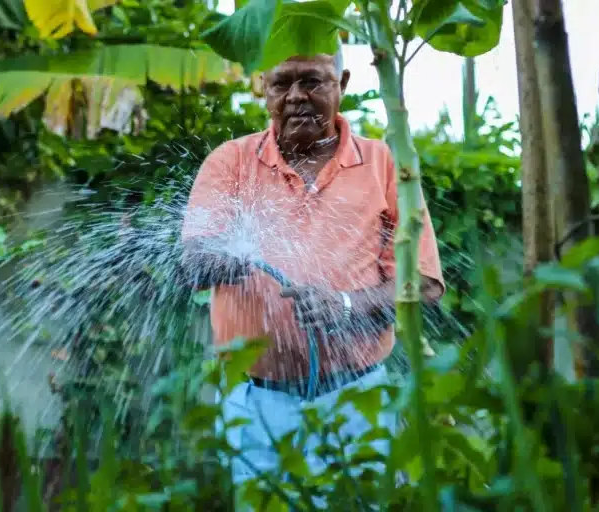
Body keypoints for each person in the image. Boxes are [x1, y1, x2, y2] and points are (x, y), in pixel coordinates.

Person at [179, 44, 445, 488]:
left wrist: (345, 305)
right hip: (257, 401)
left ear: (341, 85)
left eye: (312, 80)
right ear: (264, 89)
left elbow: (424, 286)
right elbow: (192, 265)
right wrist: (230, 254)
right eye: (282, 82)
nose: (296, 95)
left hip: (358, 397)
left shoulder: (384, 163)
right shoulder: (230, 162)